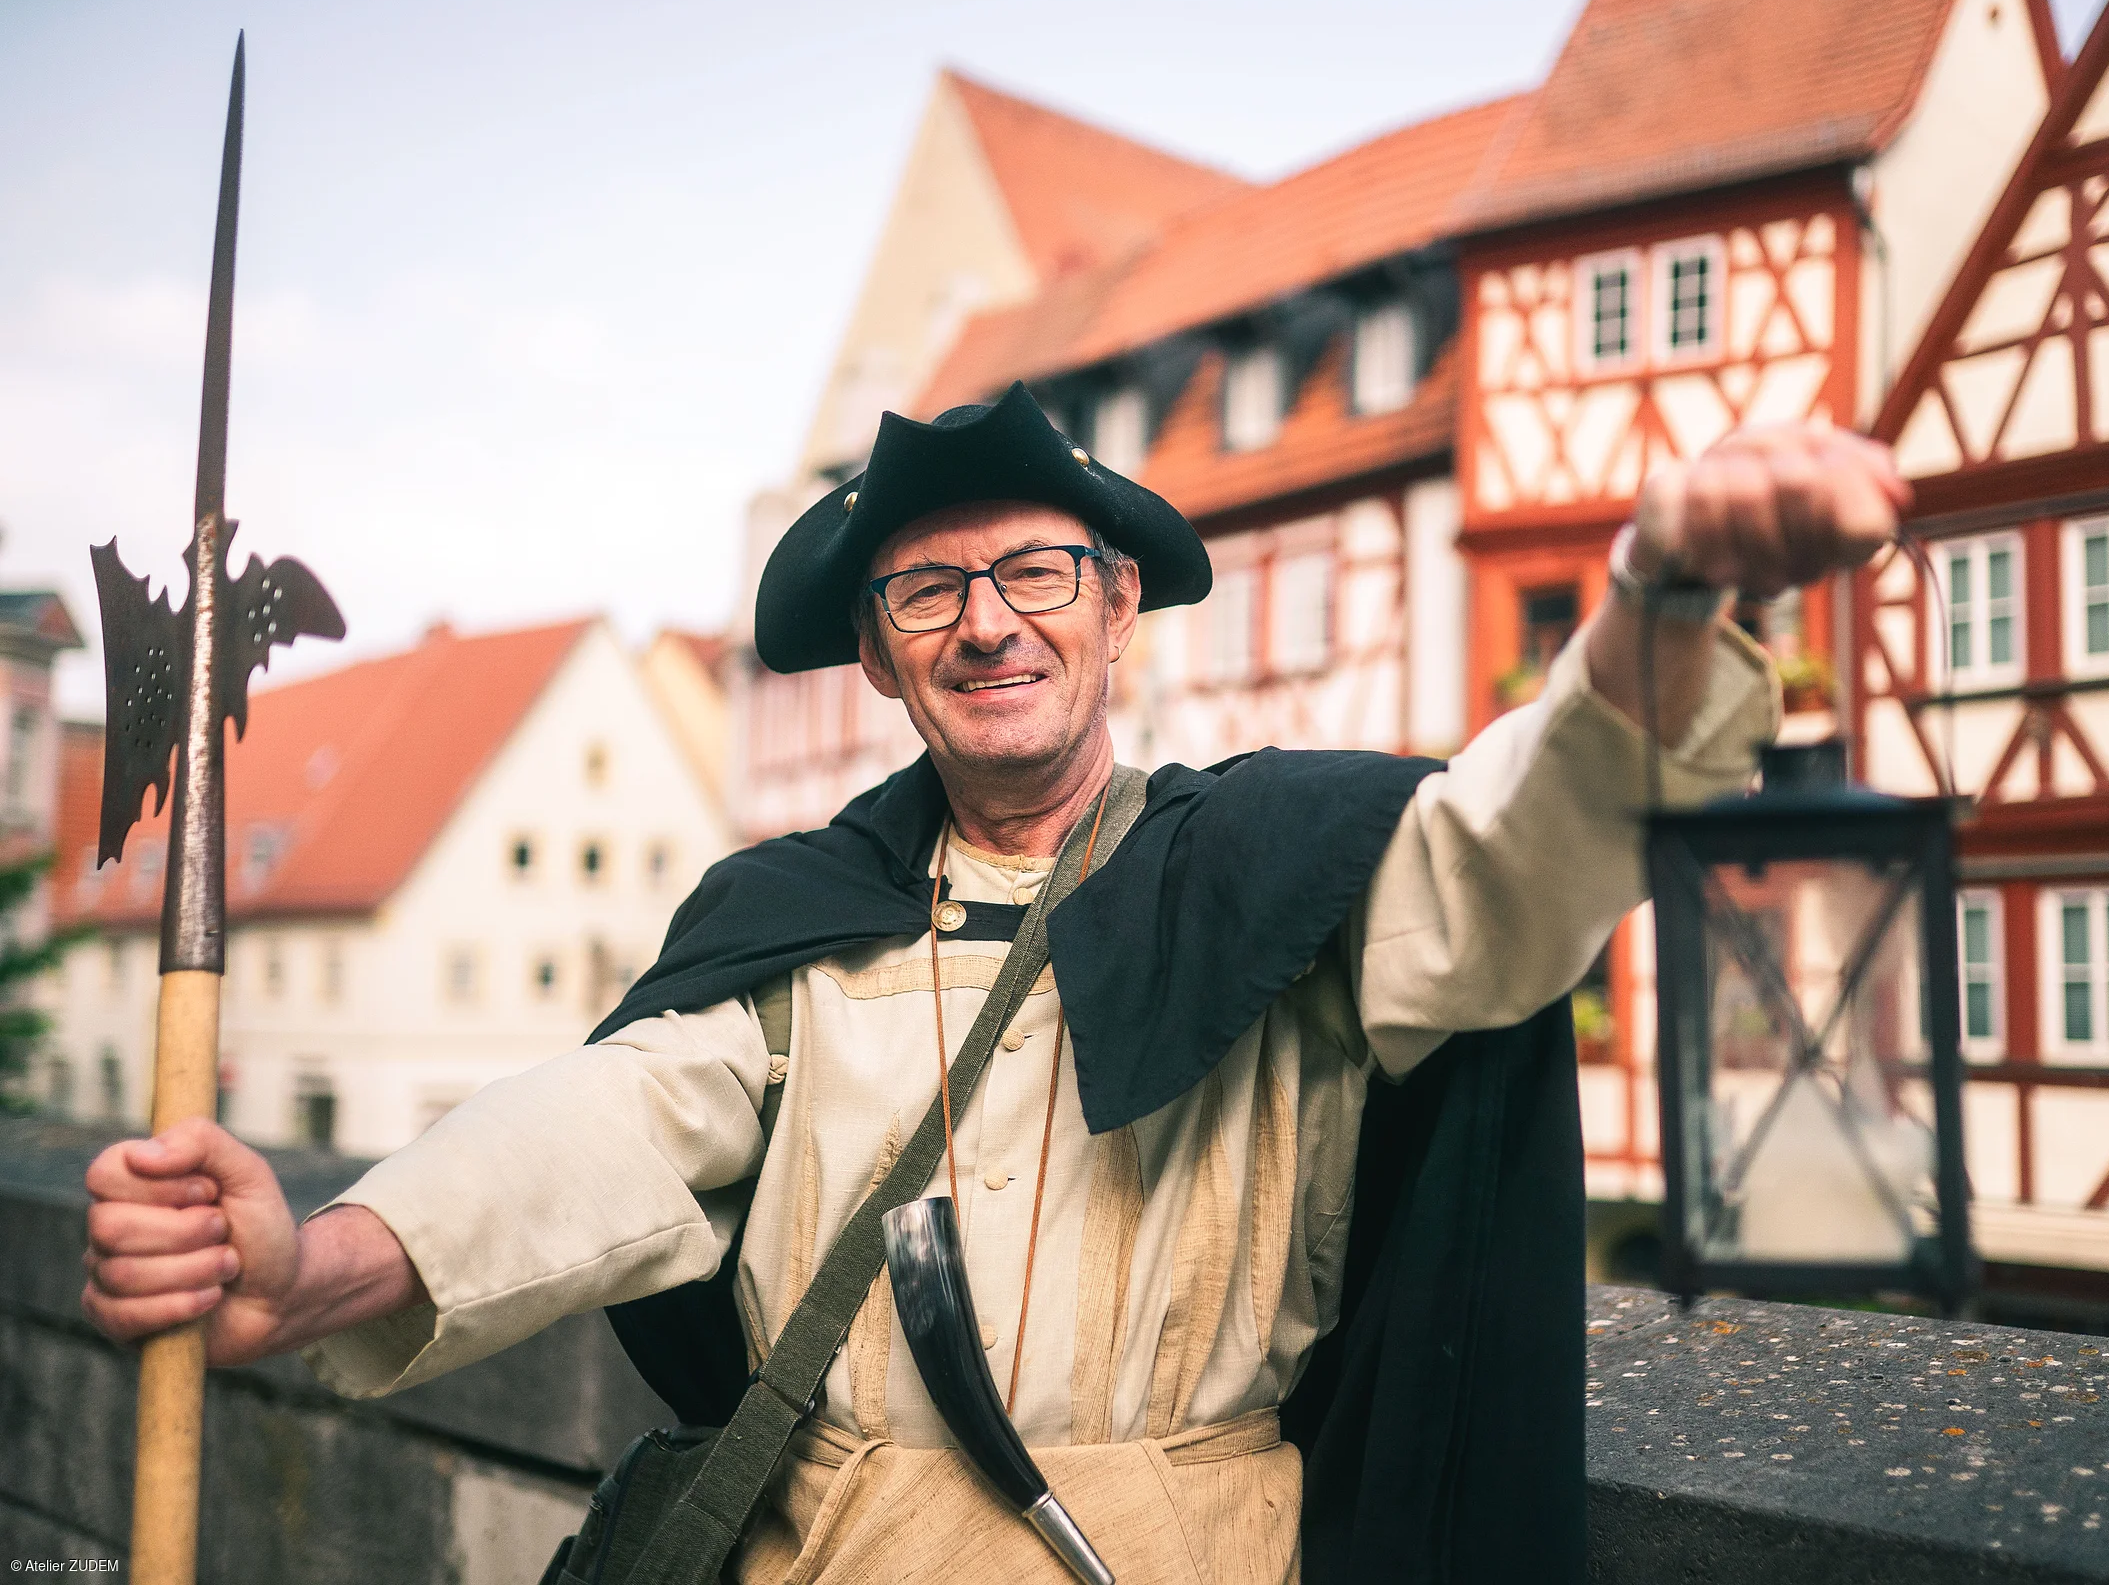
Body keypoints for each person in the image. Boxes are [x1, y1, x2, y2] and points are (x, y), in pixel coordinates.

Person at [82, 383, 1906, 1582]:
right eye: (926, 590)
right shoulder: (798, 911)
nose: (987, 617)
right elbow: (610, 1123)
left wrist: (1660, 609)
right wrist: (315, 1263)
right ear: (882, 663)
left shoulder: (1294, 878)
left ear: (1118, 607)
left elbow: (1522, 858)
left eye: (1035, 569)